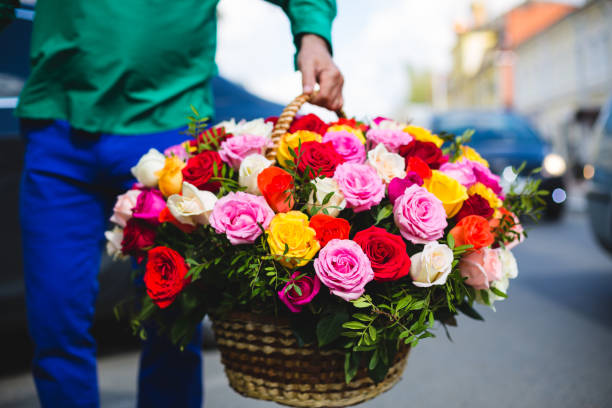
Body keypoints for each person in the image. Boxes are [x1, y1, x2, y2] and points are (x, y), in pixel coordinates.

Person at [7, 0, 343, 407]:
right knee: (54, 322)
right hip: (57, 127)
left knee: (173, 324)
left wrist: (314, 38)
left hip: (169, 125)